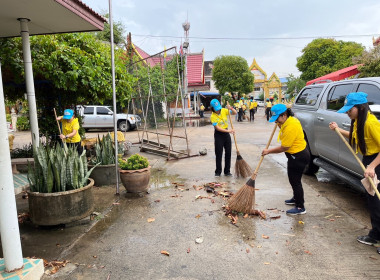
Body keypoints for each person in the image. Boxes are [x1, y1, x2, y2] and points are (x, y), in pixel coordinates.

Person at [329, 92, 380, 254]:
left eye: (350, 109)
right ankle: (376, 235)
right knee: (373, 202)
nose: (347, 112)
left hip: (376, 163)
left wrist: (371, 166)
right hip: (370, 162)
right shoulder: (358, 121)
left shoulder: (371, 123)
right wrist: (338, 130)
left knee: (378, 201)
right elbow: (356, 137)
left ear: (360, 107)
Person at [262, 104, 310, 215]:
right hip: (297, 154)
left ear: (284, 115)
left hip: (298, 156)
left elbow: (284, 147)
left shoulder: (291, 126)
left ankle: (300, 207)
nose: (276, 122)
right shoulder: (288, 120)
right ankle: (295, 198)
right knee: (293, 180)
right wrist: (278, 123)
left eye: (277, 118)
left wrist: (268, 151)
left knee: (295, 181)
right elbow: (281, 128)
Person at [210, 99, 237, 177]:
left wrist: (231, 108)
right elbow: (217, 128)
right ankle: (218, 171)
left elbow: (235, 113)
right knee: (219, 153)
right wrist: (229, 131)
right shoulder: (212, 116)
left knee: (228, 153)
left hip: (226, 134)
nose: (218, 110)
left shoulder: (224, 110)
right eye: (216, 108)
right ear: (212, 108)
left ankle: (227, 171)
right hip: (219, 135)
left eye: (218, 108)